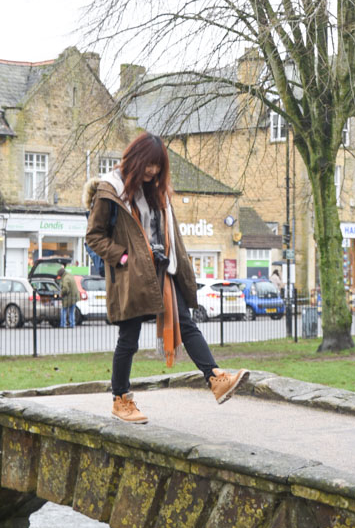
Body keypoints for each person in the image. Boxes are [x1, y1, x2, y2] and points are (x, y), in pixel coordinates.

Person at [84, 132, 249, 424]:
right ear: (136, 159)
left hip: (162, 270)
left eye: (158, 166)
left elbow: (169, 233)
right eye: (149, 164)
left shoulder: (157, 191)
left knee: (187, 324)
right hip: (131, 275)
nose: (153, 171)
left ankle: (215, 377)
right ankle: (120, 400)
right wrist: (124, 257)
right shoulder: (111, 190)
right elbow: (94, 236)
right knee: (129, 339)